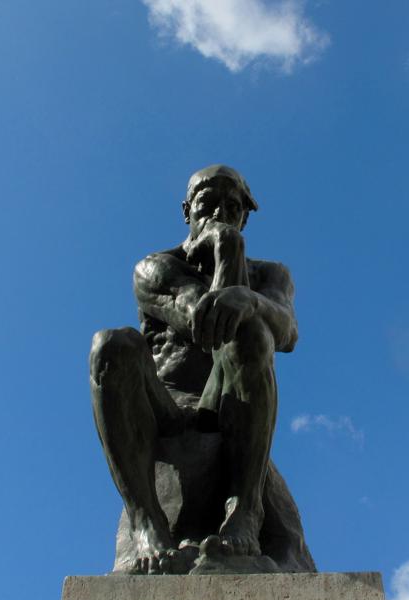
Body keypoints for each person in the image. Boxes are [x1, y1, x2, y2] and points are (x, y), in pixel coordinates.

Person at [90, 165, 298, 574]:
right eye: (207, 205)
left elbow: (287, 332)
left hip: (224, 402)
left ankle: (245, 508)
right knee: (112, 345)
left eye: (233, 208)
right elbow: (204, 323)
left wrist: (249, 295)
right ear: (187, 211)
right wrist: (226, 249)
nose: (220, 214)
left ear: (245, 216)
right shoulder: (155, 266)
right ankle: (146, 521)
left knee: (253, 330)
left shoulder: (270, 274)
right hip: (163, 410)